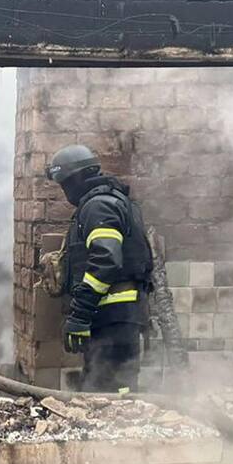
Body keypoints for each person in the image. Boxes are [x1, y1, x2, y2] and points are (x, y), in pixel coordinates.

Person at [46, 145, 153, 393]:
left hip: (113, 318)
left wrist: (80, 313)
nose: (65, 192)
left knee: (109, 393)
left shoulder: (99, 206)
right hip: (117, 317)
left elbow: (106, 259)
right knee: (109, 388)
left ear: (76, 179)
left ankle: (119, 432)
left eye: (64, 184)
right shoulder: (113, 201)